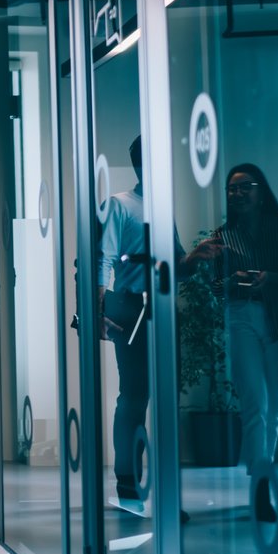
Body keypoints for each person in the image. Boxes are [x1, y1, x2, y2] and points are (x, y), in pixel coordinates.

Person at [185, 163, 278, 522]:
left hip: (276, 316)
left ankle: (263, 469)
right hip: (240, 315)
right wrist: (233, 280)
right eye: (232, 189)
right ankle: (261, 485)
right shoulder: (222, 236)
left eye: (245, 187)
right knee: (254, 402)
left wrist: (271, 278)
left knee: (274, 405)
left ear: (260, 192)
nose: (237, 194)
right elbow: (215, 287)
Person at [98, 136, 152, 517]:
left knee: (154, 397)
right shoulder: (120, 204)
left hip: (161, 310)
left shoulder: (162, 207)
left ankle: (154, 489)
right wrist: (99, 310)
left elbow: (174, 259)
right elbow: (103, 257)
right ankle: (128, 482)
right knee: (133, 396)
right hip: (132, 308)